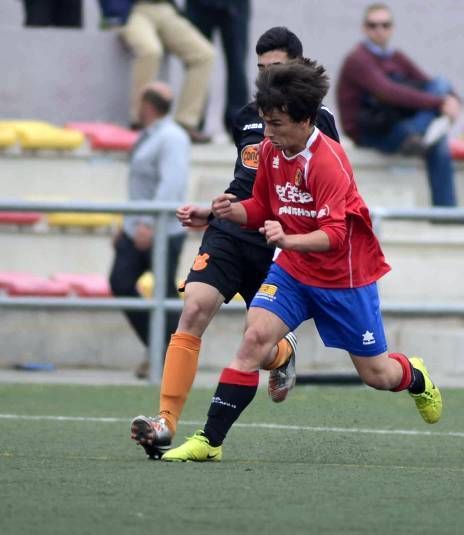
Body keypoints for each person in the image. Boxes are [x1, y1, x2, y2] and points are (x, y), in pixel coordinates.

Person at [161, 59, 442, 463]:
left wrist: (288, 238)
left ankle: (415, 376)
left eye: (276, 124)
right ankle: (210, 441)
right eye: (265, 122)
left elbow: (336, 235)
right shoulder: (272, 153)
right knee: (254, 340)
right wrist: (222, 212)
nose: (268, 133)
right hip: (293, 271)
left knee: (378, 375)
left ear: (305, 119)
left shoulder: (328, 161)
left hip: (344, 279)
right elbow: (261, 205)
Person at [130, 27, 340, 460]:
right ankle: (165, 422)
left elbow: (318, 193)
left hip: (276, 240)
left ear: (297, 68)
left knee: (257, 344)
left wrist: (297, 235)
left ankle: (281, 354)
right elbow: (247, 181)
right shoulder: (245, 115)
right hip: (231, 231)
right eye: (260, 70)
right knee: (194, 309)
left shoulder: (318, 125)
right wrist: (215, 211)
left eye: (275, 69)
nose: (266, 79)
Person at [337, 3, 460, 207]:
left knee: (440, 88)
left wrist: (451, 99)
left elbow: (427, 83)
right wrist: (442, 103)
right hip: (373, 132)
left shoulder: (395, 57)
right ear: (364, 28)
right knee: (438, 107)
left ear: (392, 28)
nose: (379, 30)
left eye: (385, 25)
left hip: (398, 128)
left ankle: (446, 218)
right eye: (373, 25)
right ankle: (422, 134)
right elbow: (388, 93)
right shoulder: (358, 59)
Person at [109, 82, 189, 380]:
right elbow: (140, 186)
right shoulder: (151, 135)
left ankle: (173, 358)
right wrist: (126, 223)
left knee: (165, 292)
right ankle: (160, 349)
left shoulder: (172, 138)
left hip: (160, 230)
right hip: (138, 226)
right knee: (120, 282)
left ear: (147, 106)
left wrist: (148, 223)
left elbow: (171, 184)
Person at [98, 0, 215, 143]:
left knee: (204, 54)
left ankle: (185, 123)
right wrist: (113, 14)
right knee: (150, 51)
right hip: (133, 10)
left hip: (165, 8)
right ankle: (141, 120)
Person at [185, 0, 250, 137]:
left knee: (237, 64)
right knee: (198, 59)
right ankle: (193, 119)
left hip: (234, 5)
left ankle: (237, 123)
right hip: (198, 5)